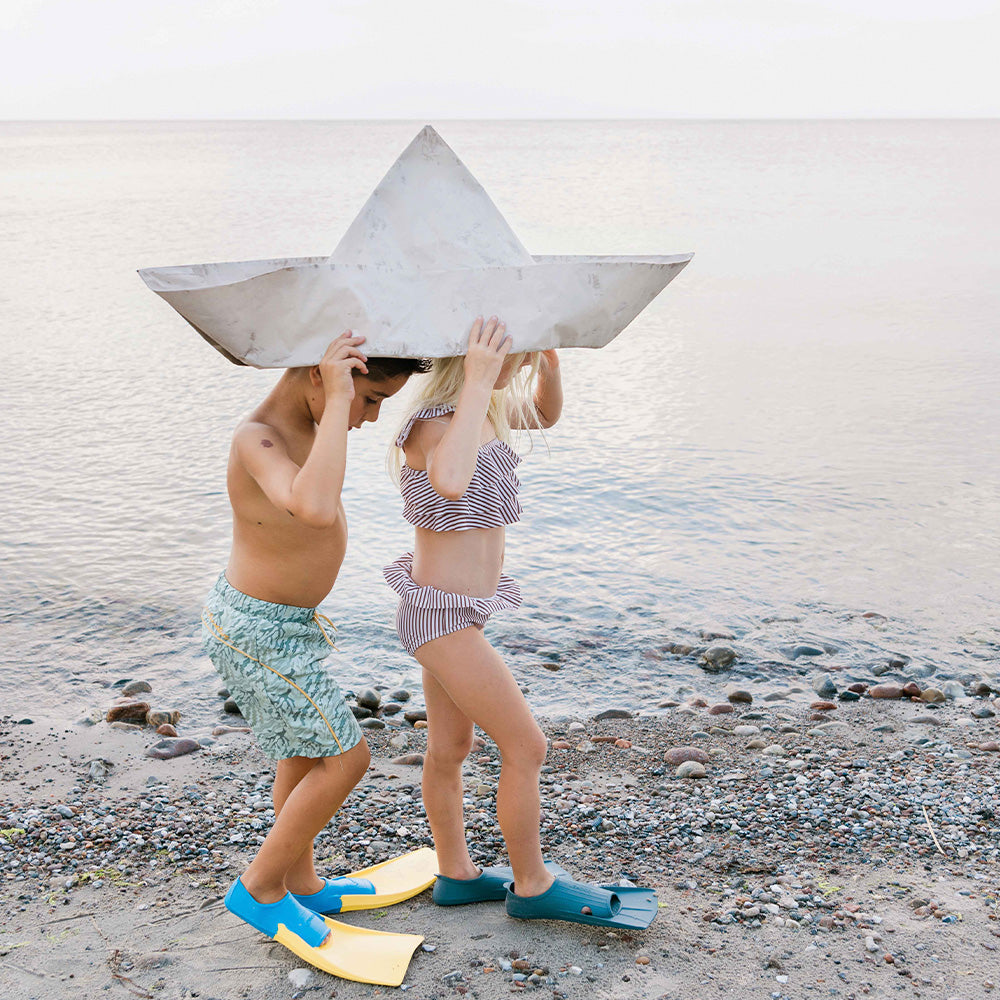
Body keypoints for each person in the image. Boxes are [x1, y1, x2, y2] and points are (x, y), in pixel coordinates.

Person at [201, 331, 430, 954]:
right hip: (256, 631)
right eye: (371, 399)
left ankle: (298, 883)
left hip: (283, 627)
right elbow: (315, 508)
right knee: (346, 758)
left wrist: (337, 403)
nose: (372, 417)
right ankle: (260, 887)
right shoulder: (258, 438)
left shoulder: (314, 423)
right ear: (317, 377)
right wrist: (336, 403)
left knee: (301, 754)